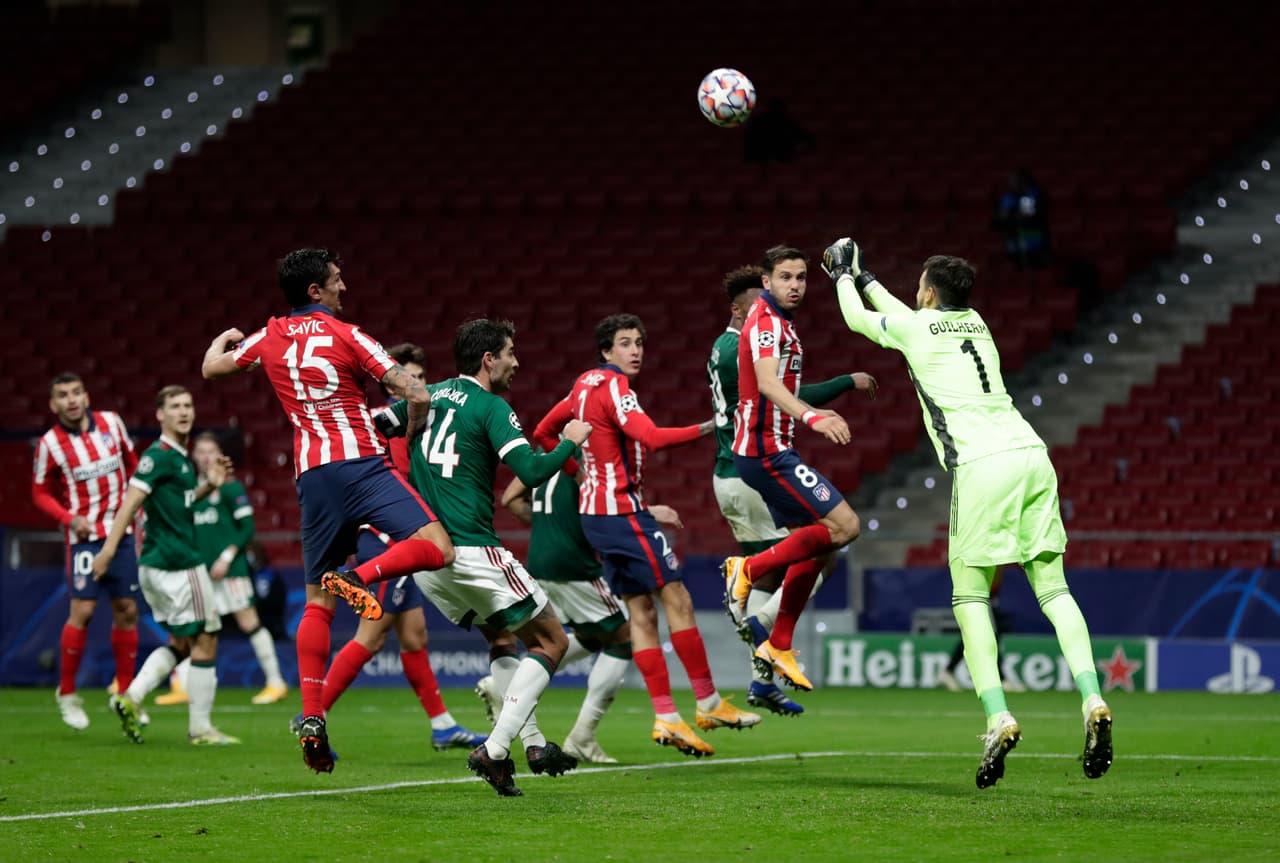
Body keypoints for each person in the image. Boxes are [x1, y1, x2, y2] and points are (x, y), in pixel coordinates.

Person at [823, 238, 1112, 787]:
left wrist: (842, 276)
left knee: (970, 596)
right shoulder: (976, 323)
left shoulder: (915, 327)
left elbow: (862, 321)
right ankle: (1093, 699)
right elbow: (907, 315)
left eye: (919, 286)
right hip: (1032, 454)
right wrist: (867, 273)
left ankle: (998, 715)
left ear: (929, 291)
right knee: (1053, 590)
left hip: (982, 467)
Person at [201, 248, 456, 773]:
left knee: (318, 601)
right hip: (363, 464)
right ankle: (360, 577)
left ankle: (313, 716)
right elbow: (416, 390)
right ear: (315, 291)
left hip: (313, 476)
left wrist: (222, 340)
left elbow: (212, 369)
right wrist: (413, 424)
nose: (345, 287)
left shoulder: (268, 336)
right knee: (437, 546)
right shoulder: (348, 334)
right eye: (337, 280)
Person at [379, 318, 592, 796]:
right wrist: (572, 440)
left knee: (500, 638)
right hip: (473, 548)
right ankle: (495, 750)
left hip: (430, 555)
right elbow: (533, 470)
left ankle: (534, 744)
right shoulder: (493, 407)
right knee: (553, 641)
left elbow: (375, 424)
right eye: (511, 353)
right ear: (488, 359)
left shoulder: (423, 394)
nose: (517, 363)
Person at [535, 313, 762, 759]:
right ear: (606, 351)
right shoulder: (616, 387)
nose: (635, 350)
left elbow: (545, 432)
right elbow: (652, 438)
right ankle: (709, 703)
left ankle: (667, 718)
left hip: (597, 518)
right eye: (624, 343)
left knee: (641, 612)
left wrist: (581, 476)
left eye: (638, 342)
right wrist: (711, 426)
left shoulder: (581, 386)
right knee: (677, 598)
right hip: (621, 515)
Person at [708, 265, 877, 715]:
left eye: (801, 278)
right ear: (745, 303)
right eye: (785, 278)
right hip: (752, 460)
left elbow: (782, 387)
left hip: (751, 458)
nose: (795, 286)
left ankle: (773, 647)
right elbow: (772, 388)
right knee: (833, 534)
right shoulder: (748, 335)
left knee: (820, 548)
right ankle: (757, 614)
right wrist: (818, 410)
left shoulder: (767, 329)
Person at [317, 342, 486, 752]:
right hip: (387, 544)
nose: (417, 386)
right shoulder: (379, 427)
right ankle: (313, 716)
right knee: (370, 638)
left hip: (409, 542)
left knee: (415, 637)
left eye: (421, 378)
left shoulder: (424, 426)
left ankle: (442, 725)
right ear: (392, 387)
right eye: (408, 378)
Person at [93, 385, 239, 745]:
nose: (184, 411)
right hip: (179, 564)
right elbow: (130, 503)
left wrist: (209, 485)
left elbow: (181, 504)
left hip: (156, 566)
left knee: (181, 643)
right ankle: (201, 729)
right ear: (160, 414)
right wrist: (109, 552)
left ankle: (129, 697)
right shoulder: (158, 457)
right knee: (207, 639)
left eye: (188, 405)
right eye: (174, 406)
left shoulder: (179, 458)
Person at [498, 461, 636, 764]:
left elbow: (509, 498)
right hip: (575, 564)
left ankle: (506, 683)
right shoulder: (585, 458)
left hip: (540, 561)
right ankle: (583, 736)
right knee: (625, 637)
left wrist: (549, 526)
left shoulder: (544, 457)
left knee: (588, 636)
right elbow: (604, 505)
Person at [32, 372, 141, 731]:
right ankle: (66, 693)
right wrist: (68, 517)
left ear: (87, 395)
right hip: (84, 537)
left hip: (122, 532)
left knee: (126, 609)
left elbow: (134, 464)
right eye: (63, 395)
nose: (71, 400)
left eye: (76, 392)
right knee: (84, 609)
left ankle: (125, 696)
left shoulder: (112, 423)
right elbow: (40, 493)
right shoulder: (50, 443)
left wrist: (140, 506)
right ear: (54, 404)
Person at [156, 432, 288, 707]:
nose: (205, 457)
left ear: (219, 456)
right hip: (197, 571)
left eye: (210, 451)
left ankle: (276, 683)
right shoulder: (189, 489)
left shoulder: (230, 488)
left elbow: (248, 529)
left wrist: (227, 557)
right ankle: (180, 686)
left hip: (231, 571)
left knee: (248, 621)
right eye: (200, 451)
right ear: (194, 455)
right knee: (185, 626)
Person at [993, 169, 1051, 269]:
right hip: (1014, 242)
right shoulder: (1007, 198)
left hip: (1034, 240)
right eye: (1010, 181)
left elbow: (1025, 216)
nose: (1012, 183)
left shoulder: (1031, 195)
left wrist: (1010, 216)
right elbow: (1000, 219)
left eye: (1015, 180)